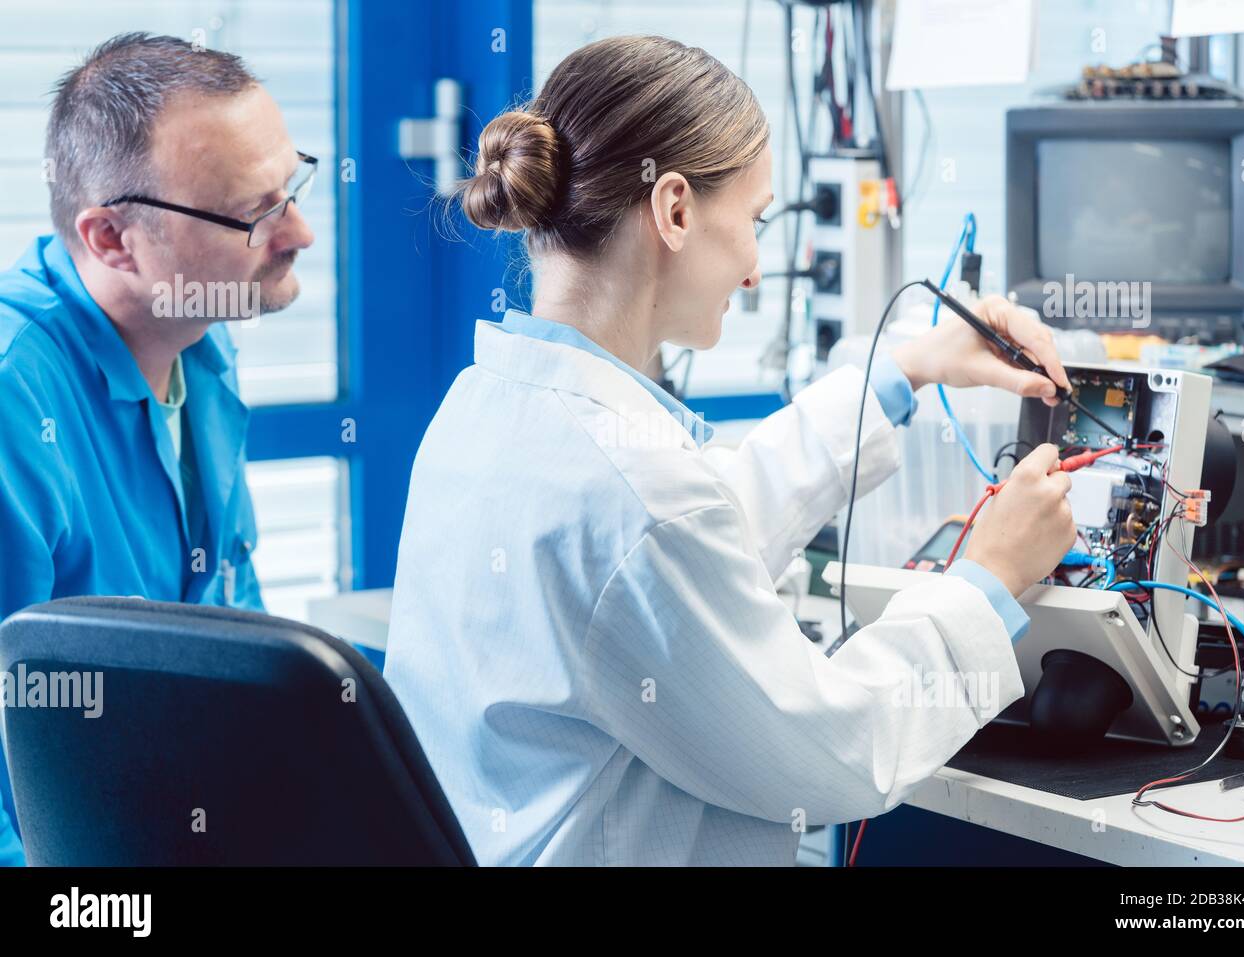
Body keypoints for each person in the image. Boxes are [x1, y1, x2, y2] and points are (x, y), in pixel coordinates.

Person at [383, 35, 1077, 866]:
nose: (755, 269)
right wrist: (989, 577)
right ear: (674, 210)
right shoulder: (636, 494)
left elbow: (699, 531)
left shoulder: (479, 412)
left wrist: (907, 366)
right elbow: (836, 748)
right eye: (753, 220)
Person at [0, 33, 315, 865]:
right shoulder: (12, 400)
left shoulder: (200, 342)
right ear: (109, 239)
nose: (302, 233)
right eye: (256, 212)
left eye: (292, 188)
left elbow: (228, 635)